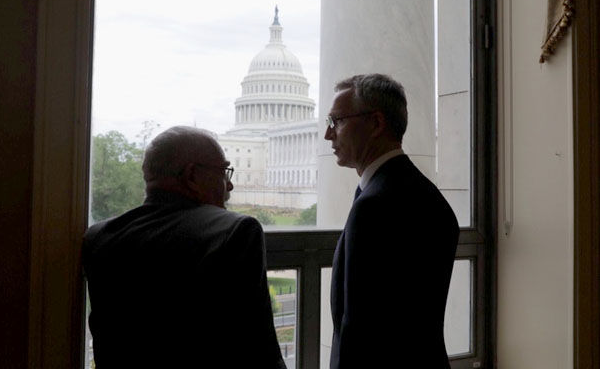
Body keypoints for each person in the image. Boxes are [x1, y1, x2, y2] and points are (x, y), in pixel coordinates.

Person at [82, 126, 286, 369]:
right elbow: (258, 348)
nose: (229, 186)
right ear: (192, 176)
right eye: (224, 172)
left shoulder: (99, 237)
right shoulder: (235, 231)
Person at [324, 74, 459, 368]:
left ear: (376, 124)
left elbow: (359, 328)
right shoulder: (426, 194)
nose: (328, 134)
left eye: (337, 121)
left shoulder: (374, 205)